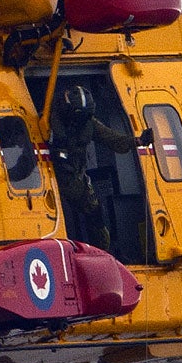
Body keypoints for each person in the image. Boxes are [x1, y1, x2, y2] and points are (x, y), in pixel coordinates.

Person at [45, 83, 143, 253]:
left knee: (95, 213)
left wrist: (137, 141)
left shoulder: (88, 124)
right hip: (54, 177)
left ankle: (101, 251)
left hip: (75, 176)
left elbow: (111, 138)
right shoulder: (48, 123)